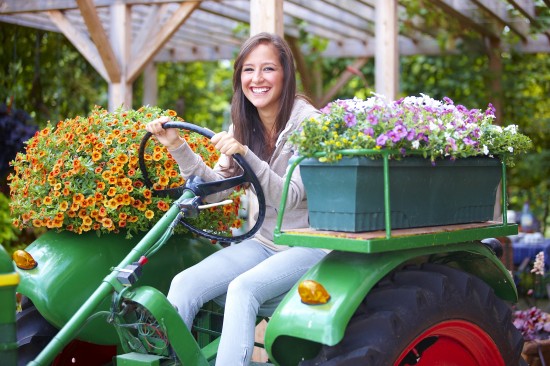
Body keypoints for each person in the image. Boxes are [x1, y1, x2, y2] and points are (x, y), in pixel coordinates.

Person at [145, 32, 327, 365]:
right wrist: (176, 146)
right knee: (184, 282)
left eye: (268, 69)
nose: (257, 79)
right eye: (248, 69)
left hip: (309, 243)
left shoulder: (310, 124)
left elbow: (294, 196)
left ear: (286, 75)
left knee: (242, 290)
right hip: (264, 242)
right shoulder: (244, 123)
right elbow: (219, 187)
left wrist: (247, 156)